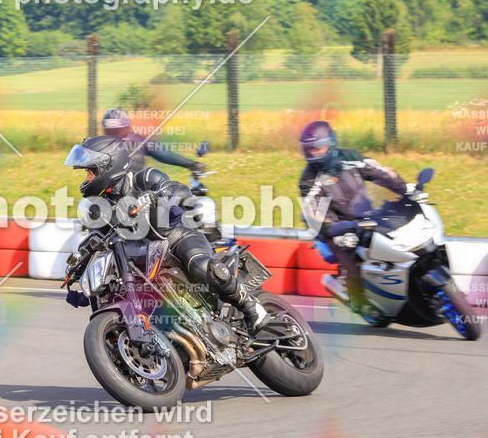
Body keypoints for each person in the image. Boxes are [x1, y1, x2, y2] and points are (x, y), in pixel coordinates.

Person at [64, 135, 268, 327]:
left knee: (200, 265)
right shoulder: (101, 209)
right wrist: (78, 269)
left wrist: (160, 193)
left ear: (108, 166)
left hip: (177, 238)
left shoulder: (144, 179)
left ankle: (251, 307)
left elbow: (181, 190)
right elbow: (96, 241)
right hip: (144, 261)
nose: (87, 178)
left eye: (90, 171)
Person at [297, 120, 421, 319]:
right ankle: (357, 299)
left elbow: (380, 173)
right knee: (349, 257)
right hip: (338, 227)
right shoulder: (308, 180)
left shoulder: (351, 158)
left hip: (368, 215)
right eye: (308, 149)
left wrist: (405, 188)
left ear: (330, 144)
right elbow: (314, 210)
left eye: (317, 148)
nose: (312, 153)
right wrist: (334, 228)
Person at [101, 107, 206, 175]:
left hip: (134, 189)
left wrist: (191, 164)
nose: (114, 134)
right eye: (110, 131)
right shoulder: (100, 145)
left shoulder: (137, 140)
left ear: (127, 128)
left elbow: (163, 153)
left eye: (118, 130)